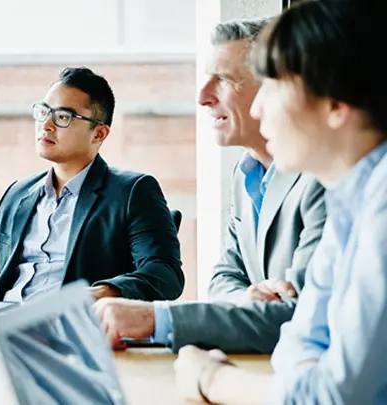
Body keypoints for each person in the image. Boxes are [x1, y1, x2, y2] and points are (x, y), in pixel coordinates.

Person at [175, 1, 387, 403]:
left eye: (272, 85)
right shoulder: (350, 199)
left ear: (335, 104)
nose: (257, 107)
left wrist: (212, 379)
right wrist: (308, 377)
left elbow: (335, 396)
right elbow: (298, 341)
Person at [95, 18, 326, 353]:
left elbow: (303, 319)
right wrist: (247, 299)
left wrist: (157, 318)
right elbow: (221, 279)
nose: (202, 96)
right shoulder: (244, 173)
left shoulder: (323, 178)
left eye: (225, 80)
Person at [0, 67, 184, 303]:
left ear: (99, 133)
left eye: (63, 116)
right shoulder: (17, 195)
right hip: (3, 325)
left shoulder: (133, 191)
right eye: (44, 111)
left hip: (69, 332)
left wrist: (102, 294)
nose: (46, 125)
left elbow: (165, 273)